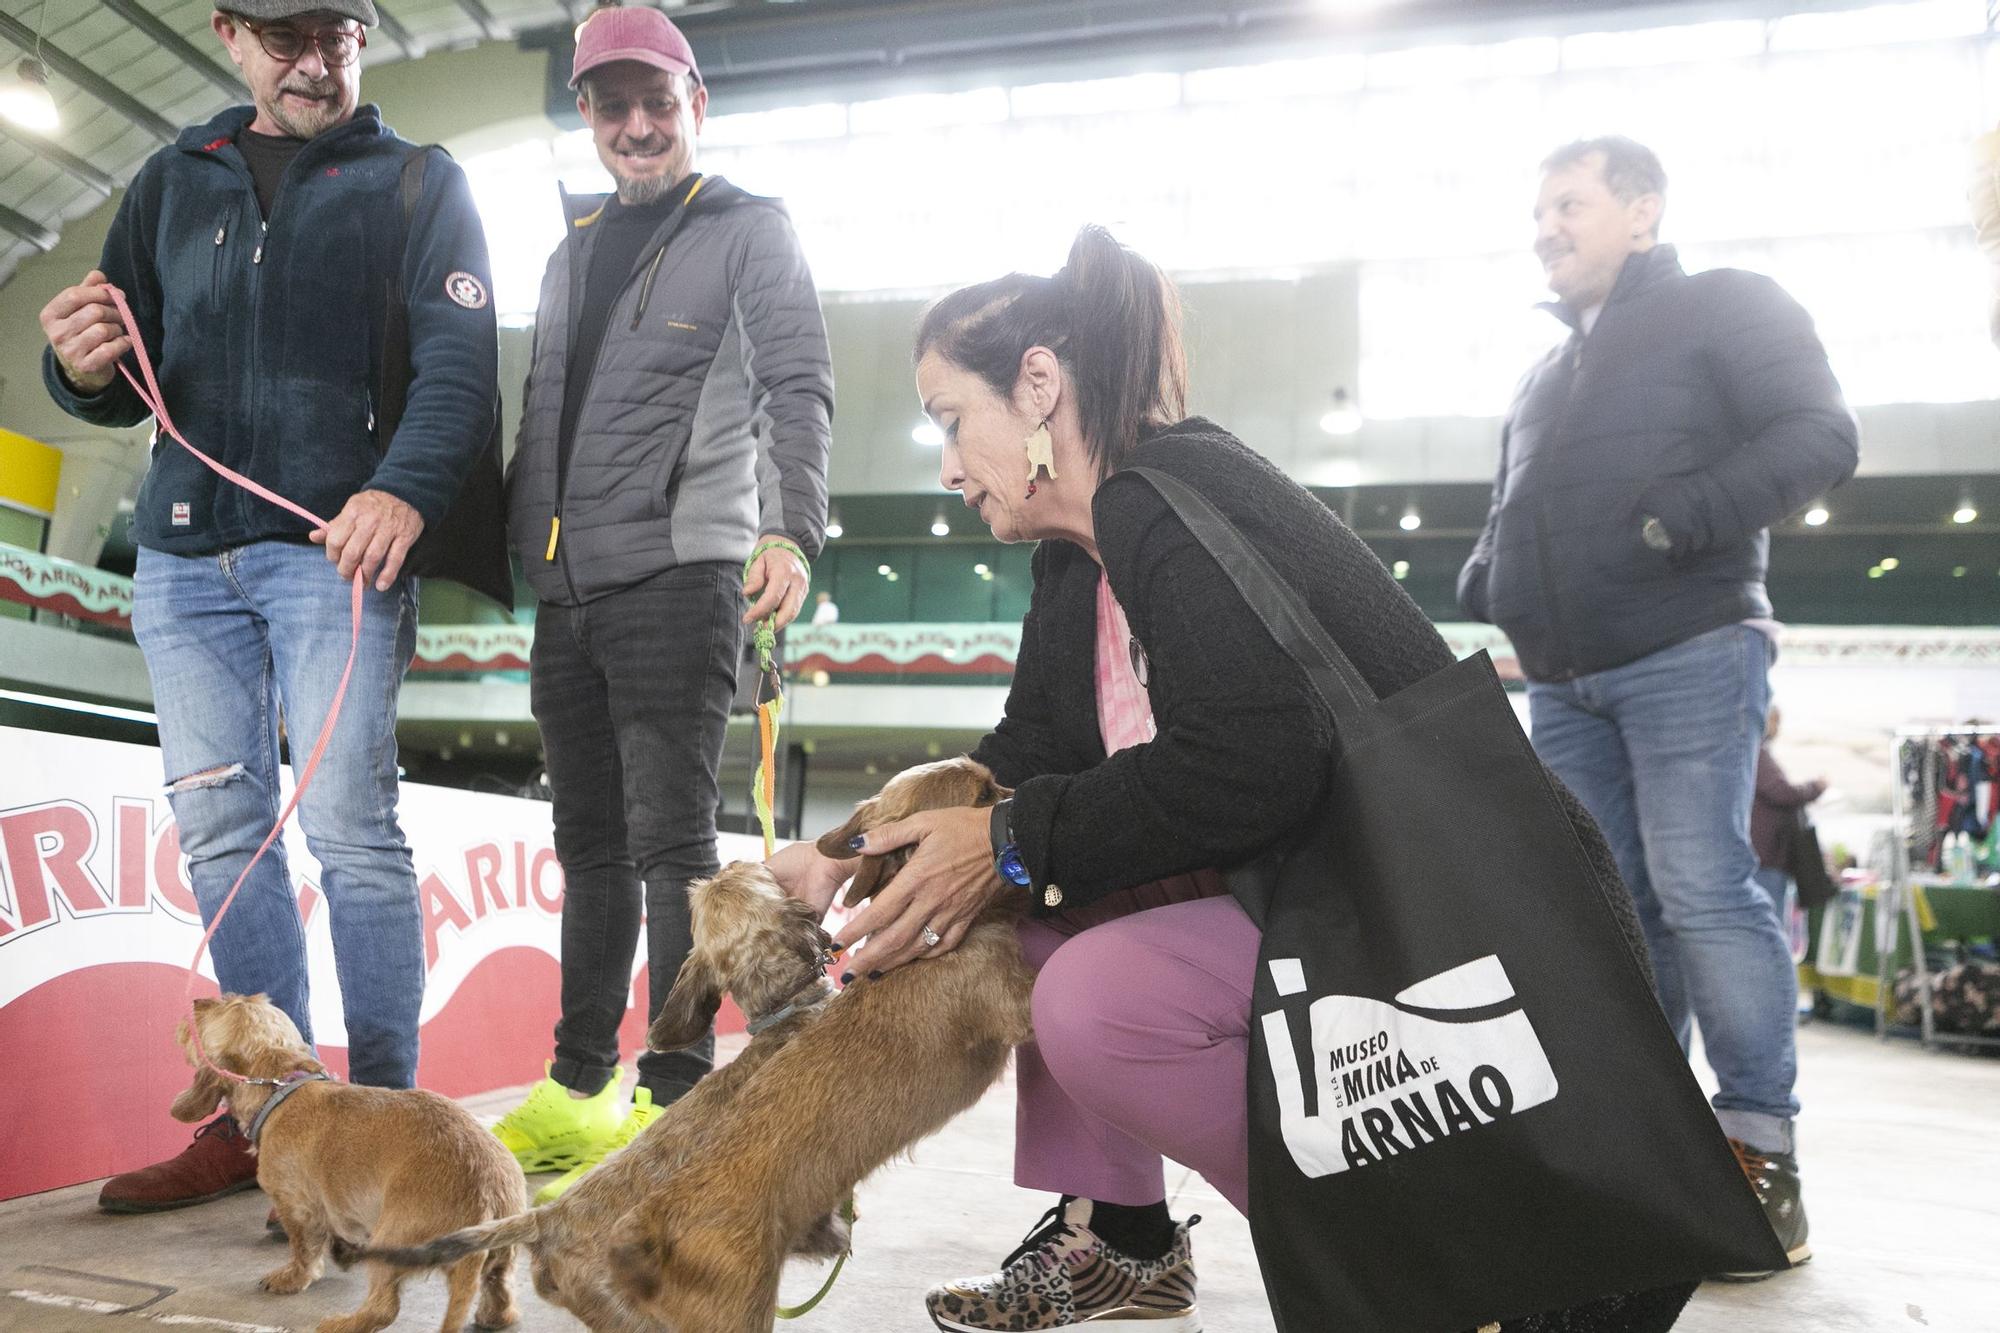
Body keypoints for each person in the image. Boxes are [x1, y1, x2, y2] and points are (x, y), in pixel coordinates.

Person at [764, 226, 1641, 1331]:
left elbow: (1256, 760)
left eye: (950, 421)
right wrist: (841, 860)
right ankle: (1123, 1243)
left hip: (1417, 915)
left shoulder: (1164, 496)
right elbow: (1024, 752)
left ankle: (1415, 1258)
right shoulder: (1074, 554)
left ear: (1037, 385)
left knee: (1092, 995)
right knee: (1013, 918)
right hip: (1312, 893)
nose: (944, 464)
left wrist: (1006, 842)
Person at [37, 0, 498, 1215]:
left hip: (330, 556)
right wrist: (73, 368)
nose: (314, 59)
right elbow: (111, 369)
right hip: (183, 564)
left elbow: (459, 365)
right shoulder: (167, 181)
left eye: (336, 30)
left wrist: (400, 487)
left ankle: (389, 1126)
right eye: (284, 34)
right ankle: (260, 1127)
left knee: (352, 829)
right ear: (229, 36)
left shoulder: (417, 182)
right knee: (226, 845)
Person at [1455, 136, 1858, 1276]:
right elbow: (1505, 509)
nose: (1543, 225)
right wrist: (1489, 582)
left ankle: (1755, 1152)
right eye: (1534, 207)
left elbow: (1821, 436)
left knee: (1698, 888)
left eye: (1567, 202)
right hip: (1563, 678)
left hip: (1686, 646)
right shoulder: (1541, 372)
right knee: (1608, 911)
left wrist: (1670, 522)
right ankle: (1645, 1146)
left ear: (1642, 211)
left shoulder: (1724, 305)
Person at [491, 2, 833, 1204]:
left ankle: (675, 1088)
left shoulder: (747, 230)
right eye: (611, 104)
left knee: (672, 849)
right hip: (566, 591)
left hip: (684, 577)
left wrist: (793, 526)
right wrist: (521, 561)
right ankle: (580, 1086)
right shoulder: (570, 247)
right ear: (587, 116)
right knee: (584, 844)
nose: (636, 125)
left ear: (697, 106)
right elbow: (542, 420)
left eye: (657, 102)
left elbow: (798, 384)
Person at [1752, 705, 1825, 970]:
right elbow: (1781, 792)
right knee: (1769, 931)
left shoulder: (1756, 753)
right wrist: (1814, 788)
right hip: (1765, 858)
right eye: (1775, 720)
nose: (1778, 727)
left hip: (1766, 857)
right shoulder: (1757, 753)